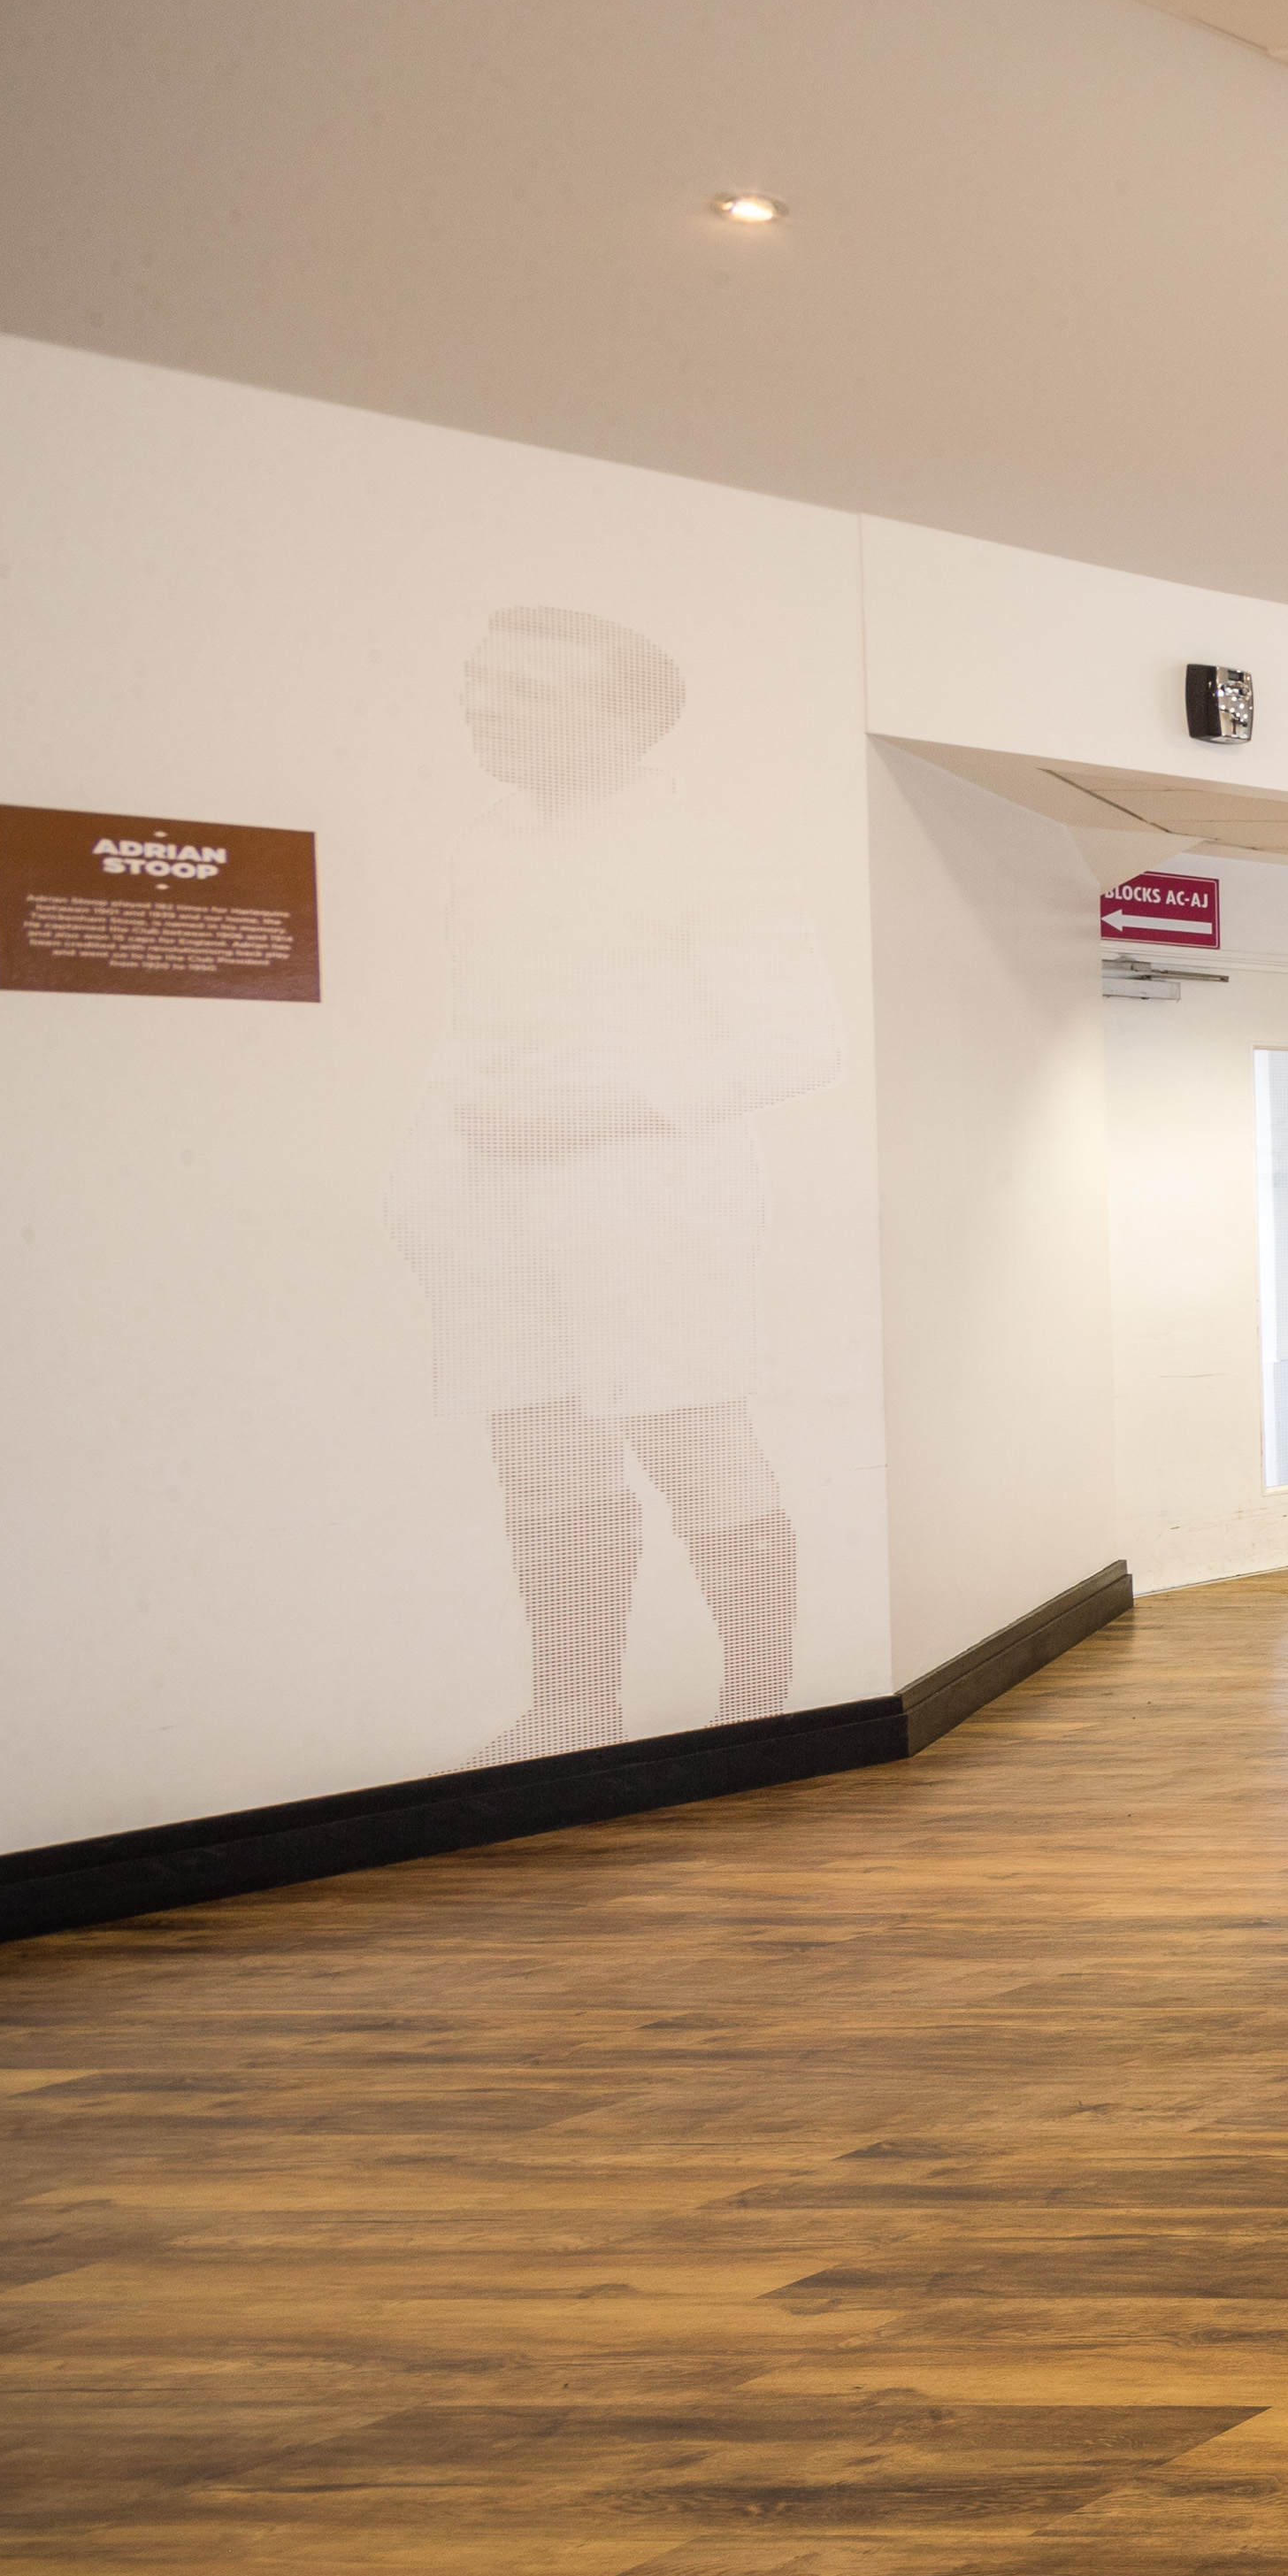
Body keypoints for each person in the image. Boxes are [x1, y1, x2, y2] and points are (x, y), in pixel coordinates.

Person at [410, 608, 822, 1763]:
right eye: (479, 682)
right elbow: (464, 1022)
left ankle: (760, 1712)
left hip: (655, 1204)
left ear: (629, 720)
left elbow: (796, 1043)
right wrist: (464, 1110)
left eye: (529, 692)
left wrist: (598, 1109)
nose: (485, 708)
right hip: (499, 1203)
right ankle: (575, 1709)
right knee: (540, 1449)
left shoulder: (708, 850)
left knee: (693, 1445)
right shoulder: (486, 847)